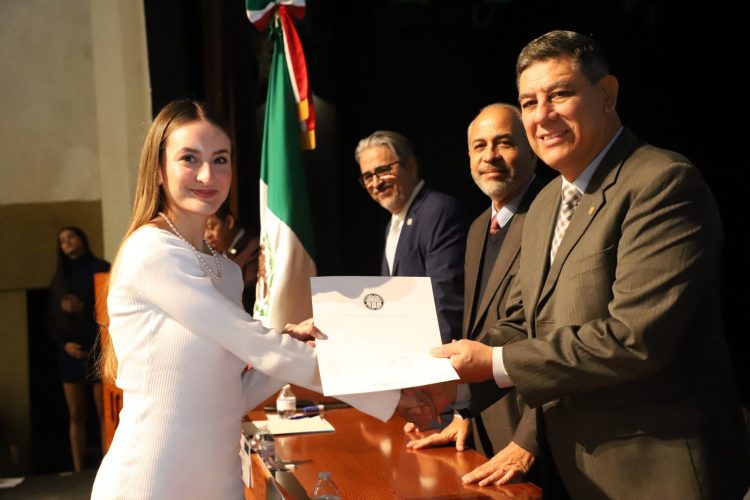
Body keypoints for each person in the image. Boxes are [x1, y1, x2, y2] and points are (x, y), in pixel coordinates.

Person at [406, 30, 750, 498]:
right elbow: (523, 322)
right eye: (529, 102)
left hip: (656, 473)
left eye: (560, 94)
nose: (542, 115)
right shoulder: (546, 201)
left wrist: (494, 362)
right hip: (572, 471)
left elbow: (634, 339)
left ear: (607, 95)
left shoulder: (661, 183)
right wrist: (452, 381)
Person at [91, 99, 399, 500]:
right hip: (152, 481)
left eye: (220, 159)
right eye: (189, 158)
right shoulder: (152, 250)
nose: (208, 175)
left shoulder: (227, 270)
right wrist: (391, 392)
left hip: (221, 481)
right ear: (159, 170)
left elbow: (230, 396)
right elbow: (256, 343)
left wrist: (295, 344)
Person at [405, 104, 545, 487]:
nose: (489, 156)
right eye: (479, 146)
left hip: (538, 437)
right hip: (486, 430)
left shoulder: (551, 215)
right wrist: (464, 411)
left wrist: (530, 438)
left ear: (532, 149)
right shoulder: (479, 226)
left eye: (504, 143)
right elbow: (476, 331)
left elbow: (556, 337)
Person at [355, 130, 469, 344]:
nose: (376, 183)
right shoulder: (392, 224)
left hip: (434, 354)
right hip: (405, 350)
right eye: (368, 176)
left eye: (383, 170)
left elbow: (446, 299)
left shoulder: (438, 211)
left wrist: (435, 358)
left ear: (411, 165)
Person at [48, 226, 110, 472]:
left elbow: (111, 308)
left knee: (104, 413)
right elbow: (50, 320)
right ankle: (77, 469)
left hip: (97, 349)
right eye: (62, 240)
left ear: (82, 239)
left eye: (71, 237)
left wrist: (83, 307)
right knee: (76, 414)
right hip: (70, 352)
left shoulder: (101, 268)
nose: (67, 242)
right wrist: (65, 346)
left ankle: (108, 464)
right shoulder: (59, 277)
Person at [205, 203, 260, 313]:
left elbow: (249, 297)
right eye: (204, 230)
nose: (207, 235)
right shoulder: (219, 254)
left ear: (229, 222)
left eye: (211, 227)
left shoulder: (254, 249)